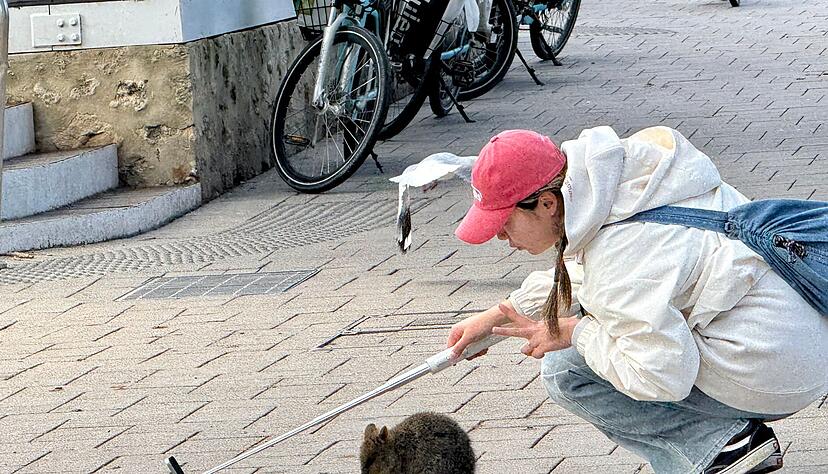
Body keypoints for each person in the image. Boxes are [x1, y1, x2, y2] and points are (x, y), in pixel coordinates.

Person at [445, 127, 828, 474]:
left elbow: (662, 376)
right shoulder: (624, 180)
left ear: (547, 203)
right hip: (799, 334)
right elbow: (590, 273)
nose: (500, 237)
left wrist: (578, 334)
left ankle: (721, 448)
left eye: (504, 222)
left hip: (770, 369)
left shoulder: (620, 256)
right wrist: (496, 317)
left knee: (567, 371)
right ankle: (724, 443)